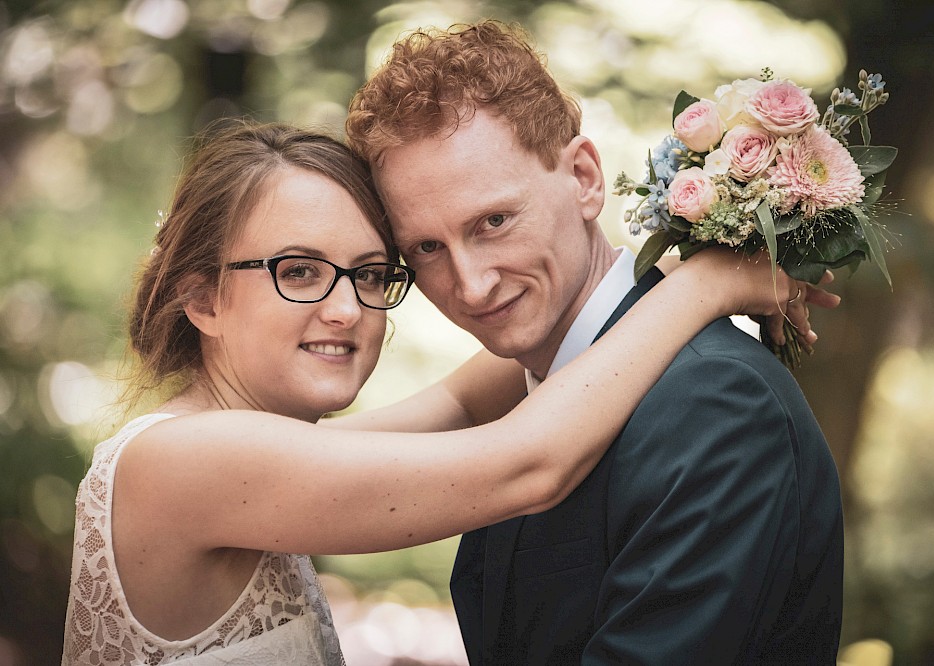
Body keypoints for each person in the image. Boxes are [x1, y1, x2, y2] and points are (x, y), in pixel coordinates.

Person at [60, 121, 816, 665]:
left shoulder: (249, 455)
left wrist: (643, 281)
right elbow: (527, 463)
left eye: (371, 273)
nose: (347, 309)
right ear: (201, 298)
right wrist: (711, 281)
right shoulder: (191, 460)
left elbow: (469, 394)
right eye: (298, 271)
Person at [345, 20, 845, 664]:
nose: (470, 285)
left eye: (494, 221)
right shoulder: (528, 394)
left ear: (584, 177)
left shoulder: (717, 405)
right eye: (427, 248)